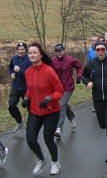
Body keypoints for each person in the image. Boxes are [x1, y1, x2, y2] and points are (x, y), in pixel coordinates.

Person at [22, 42, 64, 175]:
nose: (32, 55)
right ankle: (41, 159)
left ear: (40, 55)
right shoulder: (28, 72)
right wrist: (26, 98)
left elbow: (59, 91)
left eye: (34, 52)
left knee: (47, 138)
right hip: (35, 111)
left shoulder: (49, 71)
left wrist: (48, 99)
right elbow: (30, 89)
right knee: (30, 139)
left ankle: (55, 163)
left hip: (51, 111)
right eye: (30, 53)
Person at [51, 44, 82, 139]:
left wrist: (78, 76)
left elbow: (79, 66)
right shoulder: (52, 61)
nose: (58, 53)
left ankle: (58, 128)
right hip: (57, 87)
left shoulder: (70, 59)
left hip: (68, 86)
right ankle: (72, 118)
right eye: (56, 51)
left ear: (63, 51)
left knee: (61, 105)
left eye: (60, 51)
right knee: (64, 104)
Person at [8, 42, 31, 133]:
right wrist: (11, 74)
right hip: (16, 86)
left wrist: (20, 71)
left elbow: (30, 73)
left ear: (26, 50)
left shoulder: (29, 59)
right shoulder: (14, 58)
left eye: (22, 49)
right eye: (19, 49)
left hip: (26, 88)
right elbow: (10, 68)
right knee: (11, 106)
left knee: (30, 108)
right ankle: (19, 122)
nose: (20, 51)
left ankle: (31, 126)